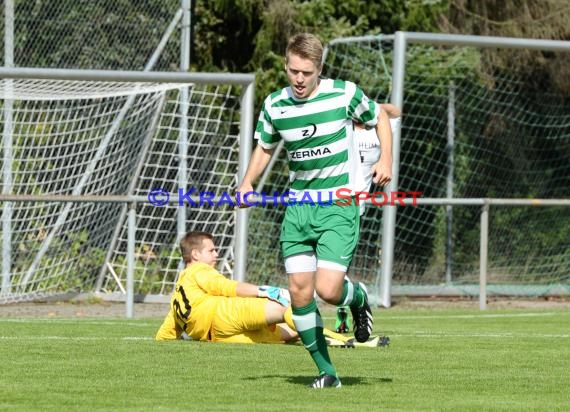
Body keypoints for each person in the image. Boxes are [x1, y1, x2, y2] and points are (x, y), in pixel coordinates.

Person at [236, 33, 393, 388]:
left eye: (306, 72)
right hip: (298, 210)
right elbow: (264, 147)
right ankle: (328, 372)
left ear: (319, 69)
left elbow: (380, 117)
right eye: (293, 71)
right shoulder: (275, 104)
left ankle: (359, 297)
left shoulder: (344, 93)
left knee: (328, 289)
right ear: (285, 66)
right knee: (300, 293)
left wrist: (386, 159)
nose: (299, 79)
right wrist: (247, 183)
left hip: (338, 207)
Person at [155, 231, 298, 344]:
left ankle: (315, 333)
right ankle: (316, 334)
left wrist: (162, 339)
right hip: (224, 315)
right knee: (284, 309)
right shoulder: (199, 269)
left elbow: (167, 331)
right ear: (195, 254)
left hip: (217, 337)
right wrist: (264, 291)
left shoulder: (178, 292)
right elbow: (226, 287)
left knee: (287, 334)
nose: (216, 254)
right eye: (211, 251)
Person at [356, 102, 401, 215]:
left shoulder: (377, 132)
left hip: (356, 207)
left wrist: (367, 105)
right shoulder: (340, 130)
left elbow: (396, 112)